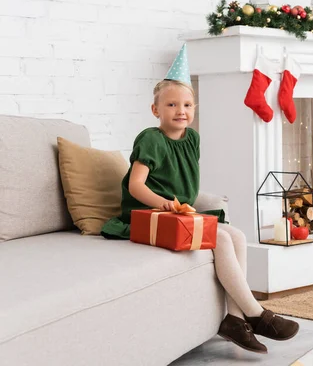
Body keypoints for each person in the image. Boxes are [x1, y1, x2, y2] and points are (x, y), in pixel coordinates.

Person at [101, 44, 299, 354]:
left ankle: (234, 320)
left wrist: (183, 204)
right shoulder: (150, 139)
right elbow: (137, 186)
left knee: (236, 235)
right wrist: (162, 202)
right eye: (171, 105)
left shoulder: (192, 138)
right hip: (147, 214)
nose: (181, 111)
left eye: (188, 105)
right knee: (218, 238)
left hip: (178, 212)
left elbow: (184, 180)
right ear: (156, 110)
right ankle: (257, 313)